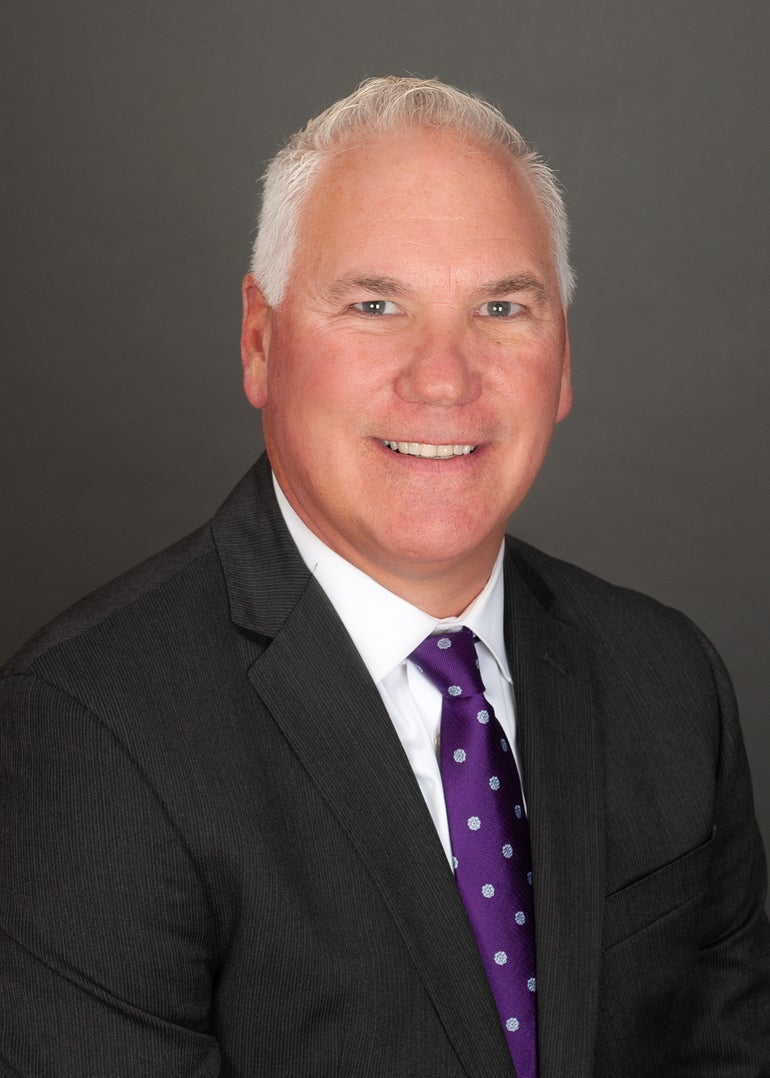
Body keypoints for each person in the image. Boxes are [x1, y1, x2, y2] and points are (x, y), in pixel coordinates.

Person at [1, 76, 768, 1078]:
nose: (442, 376)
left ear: (564, 358)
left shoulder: (668, 677)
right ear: (260, 341)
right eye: (373, 303)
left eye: (500, 306)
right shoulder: (90, 730)